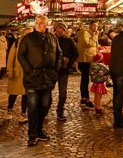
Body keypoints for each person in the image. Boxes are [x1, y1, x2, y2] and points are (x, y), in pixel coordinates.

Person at [17, 14, 62, 146]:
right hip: (32, 78)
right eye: (37, 22)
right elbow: (21, 55)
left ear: (46, 24)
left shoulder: (52, 38)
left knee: (44, 105)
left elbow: (59, 53)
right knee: (33, 106)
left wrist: (55, 69)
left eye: (41, 22)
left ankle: (39, 130)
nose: (38, 25)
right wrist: (30, 70)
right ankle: (32, 134)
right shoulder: (28, 38)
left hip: (48, 78)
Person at [6, 27, 32, 123]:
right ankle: (9, 109)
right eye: (26, 33)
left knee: (26, 95)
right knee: (13, 94)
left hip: (27, 74)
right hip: (17, 72)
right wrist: (9, 71)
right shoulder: (17, 43)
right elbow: (11, 57)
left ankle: (23, 113)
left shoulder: (33, 44)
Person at [54, 22, 79, 121]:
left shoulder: (69, 40)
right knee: (47, 91)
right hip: (52, 69)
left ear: (64, 30)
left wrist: (69, 62)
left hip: (63, 70)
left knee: (62, 92)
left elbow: (75, 53)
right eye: (57, 28)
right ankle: (45, 109)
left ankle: (60, 110)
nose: (58, 30)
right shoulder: (51, 39)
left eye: (60, 28)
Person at [76, 21, 99, 109]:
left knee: (86, 80)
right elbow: (87, 44)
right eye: (94, 25)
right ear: (90, 26)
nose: (95, 28)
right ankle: (85, 99)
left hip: (89, 59)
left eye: (96, 26)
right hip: (84, 60)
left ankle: (86, 98)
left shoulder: (90, 33)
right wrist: (95, 36)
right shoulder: (85, 33)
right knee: (85, 80)